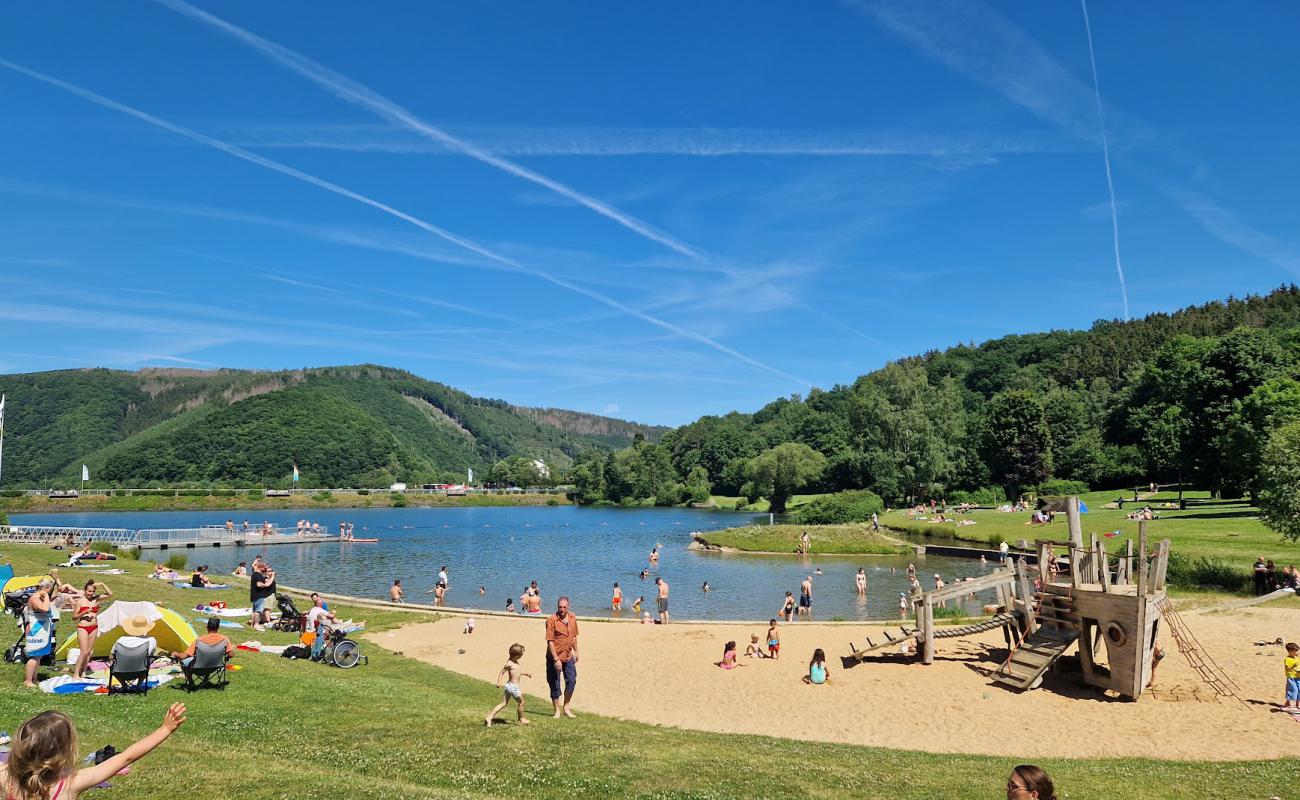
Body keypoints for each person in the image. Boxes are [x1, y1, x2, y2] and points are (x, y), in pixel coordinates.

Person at [0, 704, 188, 800]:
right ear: (63, 751)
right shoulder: (70, 784)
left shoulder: (6, 776)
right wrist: (165, 729)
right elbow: (126, 757)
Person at [545, 596, 579, 718]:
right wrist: (556, 659)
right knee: (554, 683)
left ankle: (566, 707)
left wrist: (576, 651)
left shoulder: (572, 617)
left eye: (564, 607)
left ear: (568, 606)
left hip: (568, 655)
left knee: (572, 680)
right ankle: (557, 710)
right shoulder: (551, 620)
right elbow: (550, 642)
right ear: (557, 606)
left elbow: (574, 636)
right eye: (560, 607)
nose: (562, 609)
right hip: (554, 657)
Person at [72, 579, 112, 680]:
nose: (91, 593)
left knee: (89, 651)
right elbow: (74, 617)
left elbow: (110, 594)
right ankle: (76, 674)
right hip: (83, 627)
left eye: (93, 591)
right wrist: (86, 611)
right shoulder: (80, 601)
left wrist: (102, 583)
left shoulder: (96, 599)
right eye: (89, 591)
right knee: (84, 651)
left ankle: (84, 671)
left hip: (94, 627)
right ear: (85, 590)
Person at [486, 643, 532, 726]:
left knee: (503, 703)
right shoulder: (509, 664)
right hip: (513, 687)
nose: (521, 656)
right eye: (521, 655)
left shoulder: (515, 662)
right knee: (521, 702)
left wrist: (525, 673)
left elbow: (516, 672)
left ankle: (489, 717)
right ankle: (521, 718)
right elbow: (501, 673)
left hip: (509, 686)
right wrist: (498, 682)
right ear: (516, 656)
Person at [22, 580, 55, 688]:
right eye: (50, 590)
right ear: (47, 588)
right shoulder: (35, 598)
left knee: (39, 656)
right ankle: (27, 680)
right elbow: (44, 609)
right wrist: (45, 595)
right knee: (34, 656)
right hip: (36, 629)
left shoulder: (41, 597)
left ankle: (34, 677)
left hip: (43, 629)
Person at [249, 562, 276, 631]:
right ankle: (256, 624)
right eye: (265, 568)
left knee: (255, 610)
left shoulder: (254, 574)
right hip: (259, 595)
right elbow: (258, 584)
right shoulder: (258, 575)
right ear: (261, 567)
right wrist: (265, 585)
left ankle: (253, 624)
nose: (265, 569)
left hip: (255, 595)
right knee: (258, 611)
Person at [1284, 642, 1300, 709]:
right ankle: (1288, 702)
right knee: (1293, 689)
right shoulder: (1287, 659)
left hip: (1298, 676)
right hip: (1291, 677)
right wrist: (1293, 667)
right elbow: (1287, 668)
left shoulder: (1297, 658)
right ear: (1290, 651)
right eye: (1295, 651)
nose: (1297, 653)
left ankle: (1297, 703)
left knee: (1299, 689)